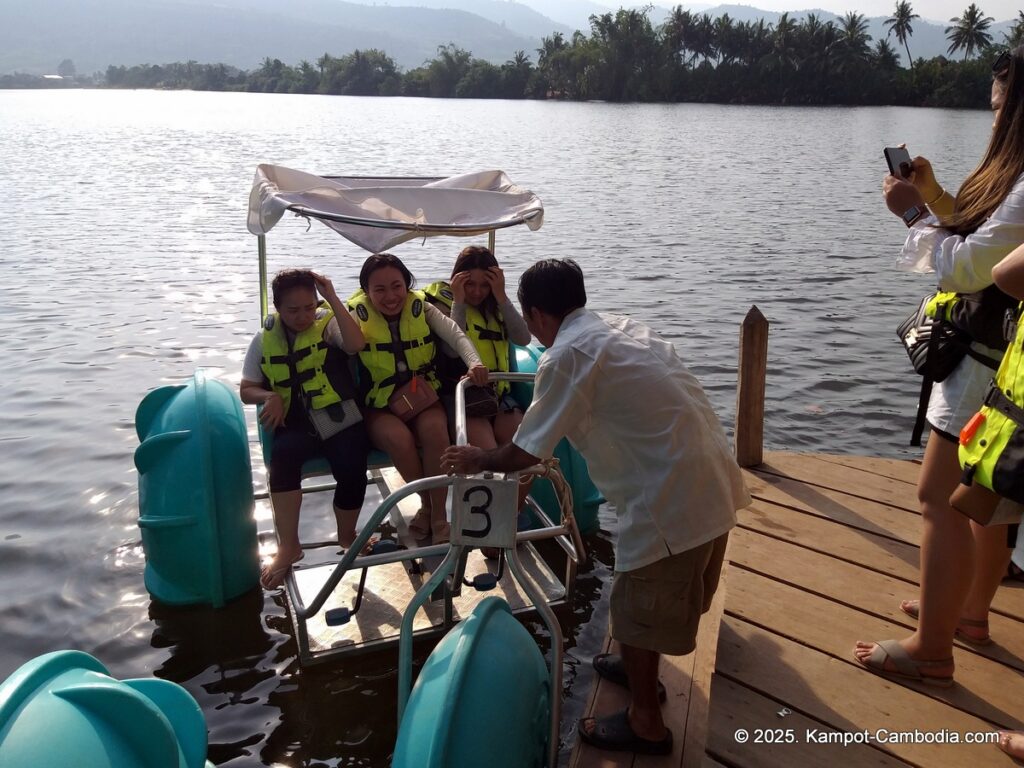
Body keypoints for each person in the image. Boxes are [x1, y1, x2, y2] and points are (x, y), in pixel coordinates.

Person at [442, 259, 750, 755]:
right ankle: (634, 668)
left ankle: (646, 722)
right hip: (710, 478)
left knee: (633, 611)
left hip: (668, 503)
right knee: (639, 611)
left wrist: (477, 456)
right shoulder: (621, 328)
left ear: (535, 313)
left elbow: (526, 451)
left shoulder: (566, 356)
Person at [855, 46, 1024, 685]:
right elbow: (988, 239)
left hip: (985, 363)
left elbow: (968, 266)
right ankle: (968, 614)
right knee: (987, 500)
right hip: (1007, 359)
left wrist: (912, 214)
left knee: (940, 501)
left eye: (1000, 104)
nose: (993, 116)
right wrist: (934, 196)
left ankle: (932, 648)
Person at [240, 269, 370, 590]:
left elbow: (355, 344)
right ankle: (289, 546)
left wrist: (332, 298)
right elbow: (246, 388)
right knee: (283, 459)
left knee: (353, 463)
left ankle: (347, 533)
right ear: (278, 308)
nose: (303, 317)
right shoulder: (264, 338)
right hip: (295, 422)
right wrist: (268, 395)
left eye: (309, 307)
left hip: (336, 417)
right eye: (293, 310)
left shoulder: (328, 325)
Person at [348, 253, 488, 545]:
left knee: (436, 430)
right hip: (380, 404)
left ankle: (438, 516)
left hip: (420, 396)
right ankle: (427, 504)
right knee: (399, 438)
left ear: (407, 285)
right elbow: (335, 334)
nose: (390, 296)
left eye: (397, 286)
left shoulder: (421, 309)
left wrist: (474, 363)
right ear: (366, 291)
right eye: (380, 289)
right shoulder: (353, 316)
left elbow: (456, 334)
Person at [423, 245, 532, 450]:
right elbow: (451, 350)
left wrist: (501, 296)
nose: (477, 292)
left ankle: (517, 484)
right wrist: (459, 301)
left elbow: (523, 338)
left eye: (484, 286)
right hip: (463, 396)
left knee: (523, 452)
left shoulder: (496, 306)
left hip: (499, 396)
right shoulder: (440, 305)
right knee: (488, 454)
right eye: (470, 284)